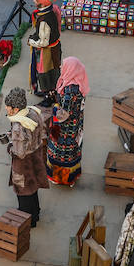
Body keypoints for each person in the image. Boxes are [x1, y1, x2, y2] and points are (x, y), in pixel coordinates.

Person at [3, 88, 50, 226]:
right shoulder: (33, 113)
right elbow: (42, 133)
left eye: (8, 106)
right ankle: (35, 214)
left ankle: (28, 221)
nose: (6, 108)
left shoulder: (18, 126)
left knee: (23, 193)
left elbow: (19, 152)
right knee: (33, 188)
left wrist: (10, 146)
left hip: (23, 164)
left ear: (16, 109)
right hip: (35, 156)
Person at [48, 57, 88, 187]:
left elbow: (63, 115)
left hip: (65, 131)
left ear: (70, 69)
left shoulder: (70, 92)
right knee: (72, 152)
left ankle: (62, 179)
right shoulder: (78, 83)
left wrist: (54, 108)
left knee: (62, 154)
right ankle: (72, 177)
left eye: (63, 65)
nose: (60, 67)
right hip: (75, 126)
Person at [28, 0, 63, 105]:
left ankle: (49, 97)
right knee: (54, 69)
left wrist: (31, 41)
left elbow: (43, 42)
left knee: (45, 72)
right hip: (55, 47)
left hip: (47, 51)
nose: (34, 1)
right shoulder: (53, 9)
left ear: (42, 5)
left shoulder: (44, 22)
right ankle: (51, 93)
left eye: (36, 0)